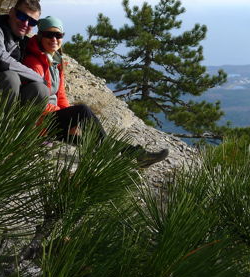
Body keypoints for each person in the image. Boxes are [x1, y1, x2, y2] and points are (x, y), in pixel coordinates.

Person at [23, 16, 169, 168]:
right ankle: (116, 155)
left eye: (58, 35)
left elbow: (60, 96)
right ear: (40, 36)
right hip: (40, 121)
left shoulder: (55, 60)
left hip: (52, 120)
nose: (54, 39)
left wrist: (69, 119)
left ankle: (138, 155)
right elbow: (37, 101)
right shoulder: (34, 62)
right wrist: (69, 119)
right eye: (49, 35)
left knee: (93, 138)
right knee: (83, 111)